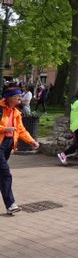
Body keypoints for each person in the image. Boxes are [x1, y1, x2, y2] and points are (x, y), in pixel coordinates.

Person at [0, 86, 40, 214]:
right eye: (18, 96)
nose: (20, 97)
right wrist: (4, 129)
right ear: (9, 97)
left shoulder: (16, 112)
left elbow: (21, 130)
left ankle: (10, 204)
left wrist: (31, 141)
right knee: (5, 173)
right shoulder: (0, 109)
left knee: (2, 174)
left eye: (20, 95)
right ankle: (10, 204)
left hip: (7, 145)